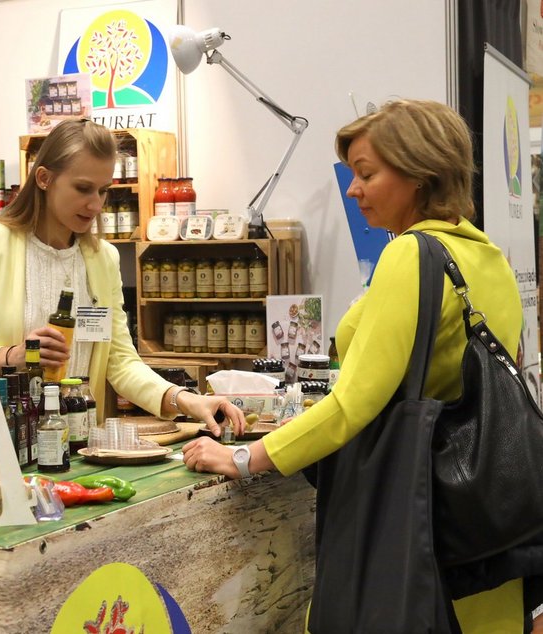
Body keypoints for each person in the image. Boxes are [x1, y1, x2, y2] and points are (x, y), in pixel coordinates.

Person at [182, 100, 527, 630]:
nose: (352, 189)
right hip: (482, 525)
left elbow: (354, 403)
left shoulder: (411, 255)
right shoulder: (488, 259)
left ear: (420, 172)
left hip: (414, 521)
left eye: (366, 173)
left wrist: (247, 458)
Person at [0, 119, 243, 434]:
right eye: (83, 188)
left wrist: (186, 400)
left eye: (103, 191)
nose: (95, 204)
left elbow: (121, 363)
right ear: (44, 178)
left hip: (77, 445)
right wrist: (9, 357)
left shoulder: (103, 260)